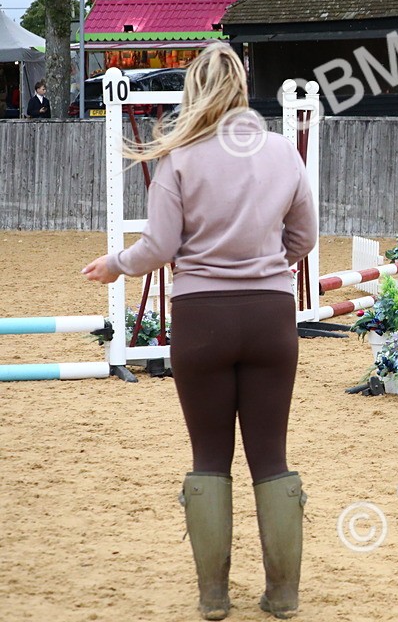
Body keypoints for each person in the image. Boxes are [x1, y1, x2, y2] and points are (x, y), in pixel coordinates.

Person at [81, 43, 317, 621]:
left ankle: (214, 596)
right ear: (242, 87)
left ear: (194, 90)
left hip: (201, 318)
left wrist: (116, 263)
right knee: (271, 456)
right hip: (270, 316)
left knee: (209, 455)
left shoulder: (180, 158)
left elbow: (159, 247)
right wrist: (267, 267)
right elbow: (304, 238)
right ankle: (283, 595)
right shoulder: (282, 152)